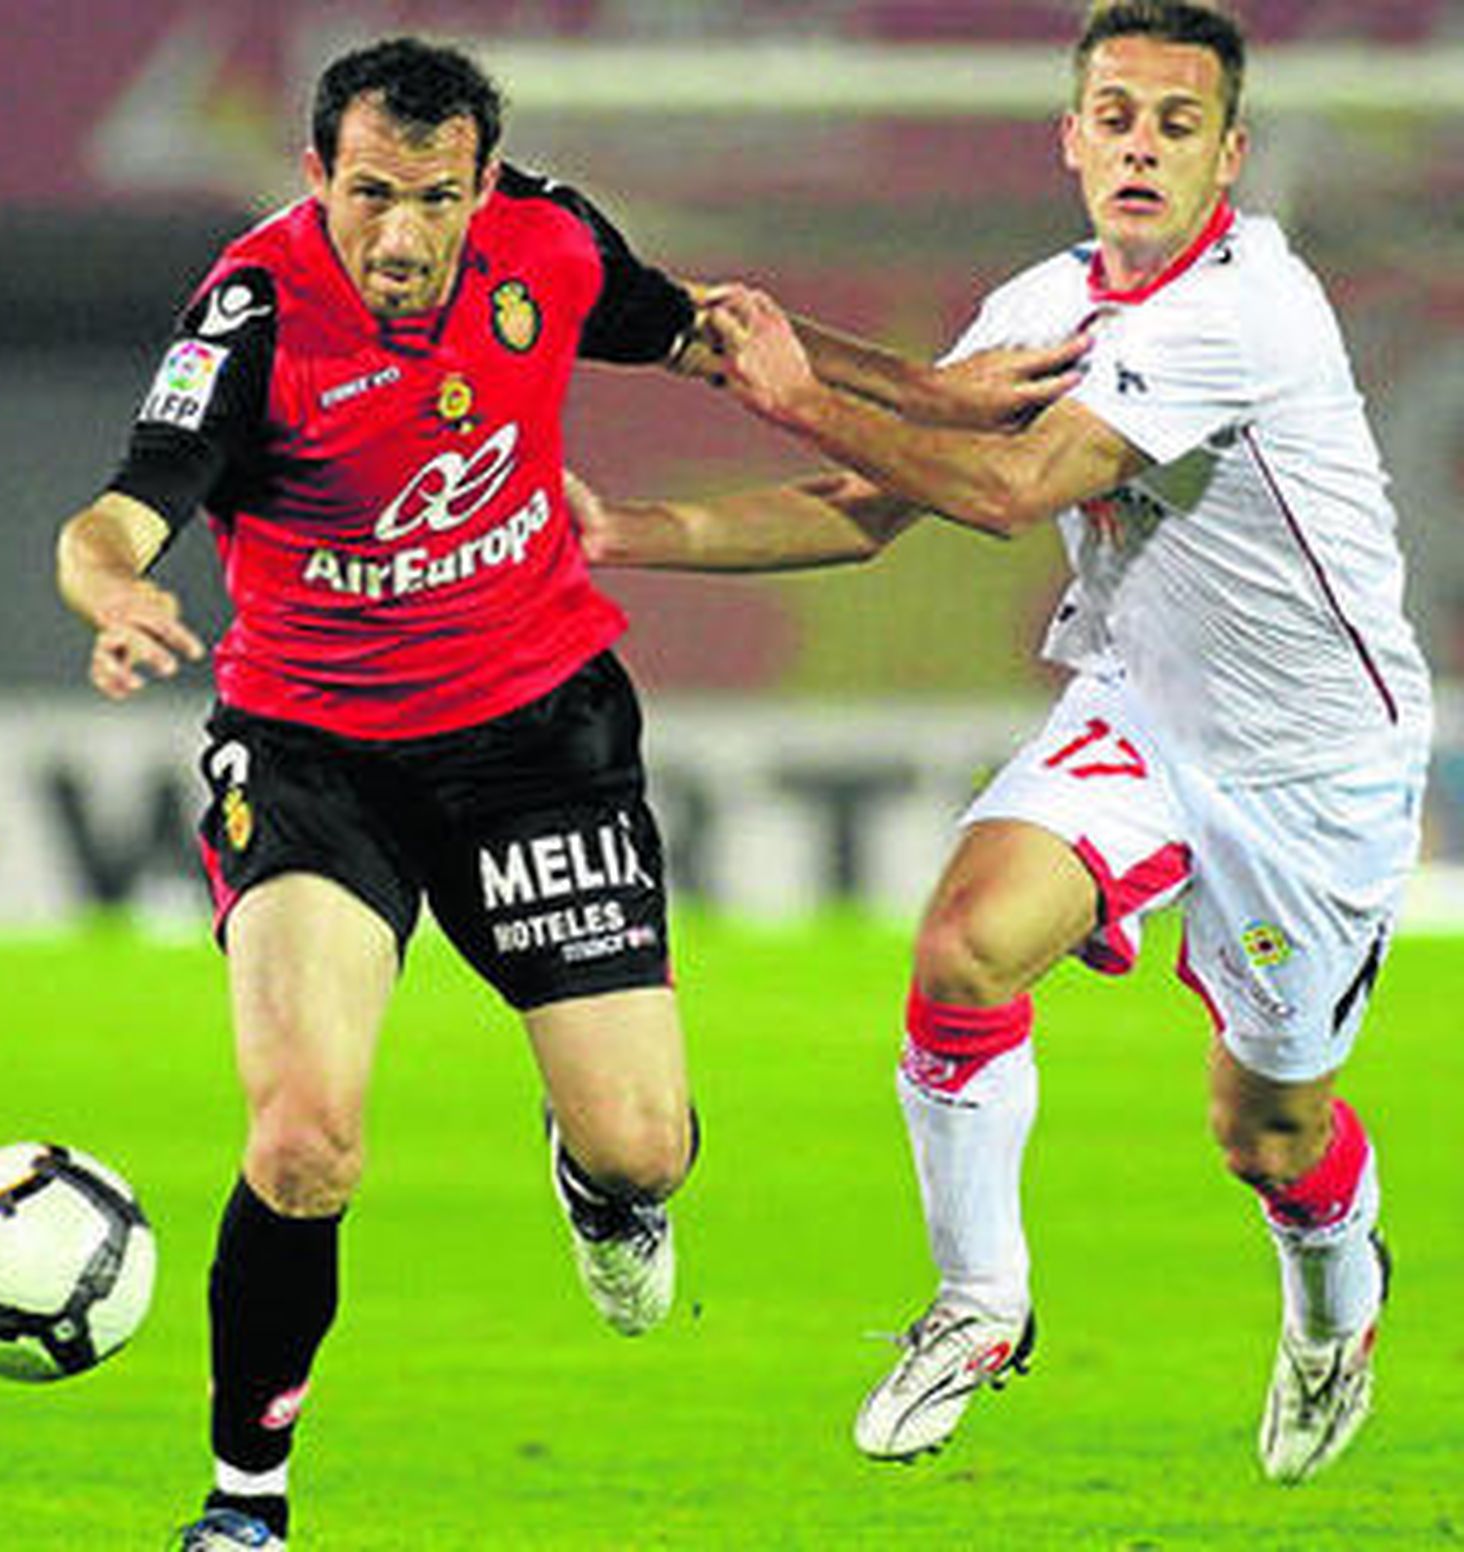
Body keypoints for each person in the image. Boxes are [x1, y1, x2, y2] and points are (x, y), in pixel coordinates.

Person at [54, 36, 1080, 1551]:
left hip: (539, 744)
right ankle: (245, 1503)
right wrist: (111, 593)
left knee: (642, 1146)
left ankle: (603, 1190)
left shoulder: (551, 243)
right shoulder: (254, 316)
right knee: (301, 1142)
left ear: (485, 186)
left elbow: (728, 336)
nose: (402, 237)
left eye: (436, 199)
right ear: (315, 178)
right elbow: (118, 510)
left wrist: (928, 390)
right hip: (316, 759)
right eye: (370, 196)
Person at [569, 0, 1432, 1486]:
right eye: (1114, 114)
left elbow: (1012, 488)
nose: (1141, 144)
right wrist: (625, 534)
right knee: (963, 947)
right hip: (1143, 709)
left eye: (1176, 120)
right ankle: (981, 1302)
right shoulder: (1045, 298)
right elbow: (878, 500)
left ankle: (1336, 1301)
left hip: (1314, 767)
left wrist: (790, 386)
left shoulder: (1250, 306)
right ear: (1070, 136)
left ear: (1232, 150)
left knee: (1268, 1134)